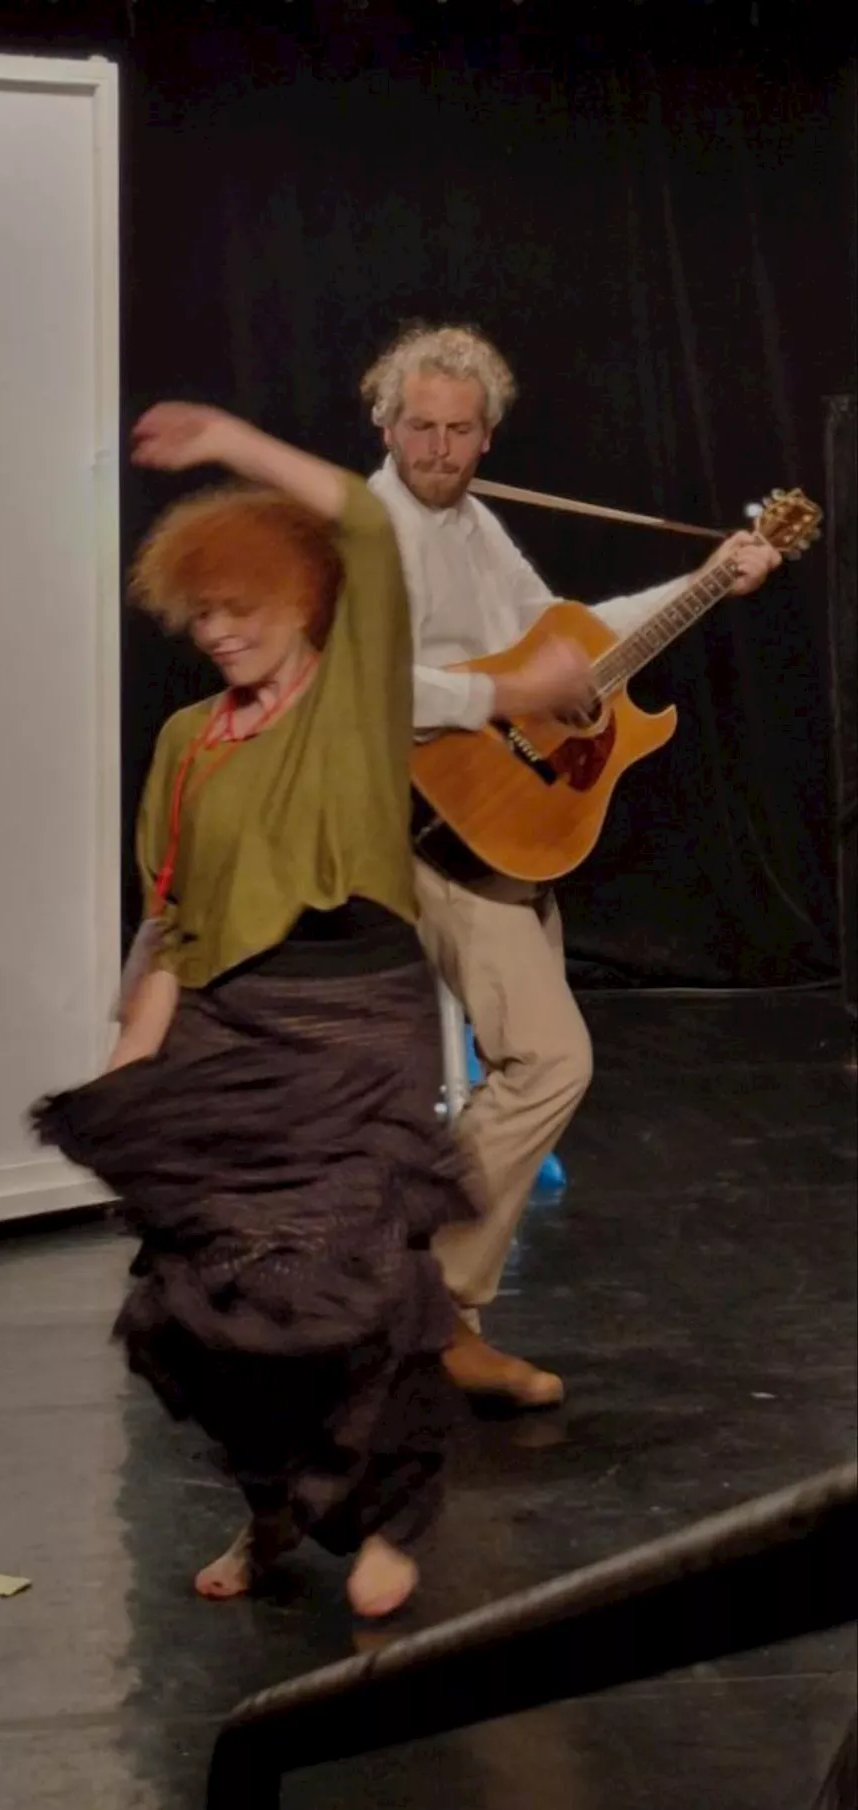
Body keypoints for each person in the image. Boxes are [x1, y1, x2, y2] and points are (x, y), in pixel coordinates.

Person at [31, 400, 481, 1618]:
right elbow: (174, 918)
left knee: (354, 1285)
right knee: (203, 1306)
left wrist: (228, 440)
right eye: (205, 616)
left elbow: (360, 524)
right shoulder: (188, 739)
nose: (221, 632)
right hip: (229, 1032)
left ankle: (382, 1510)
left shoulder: (353, 698)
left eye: (244, 608)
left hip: (354, 1029)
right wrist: (129, 1066)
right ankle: (273, 1502)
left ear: (302, 604)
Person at [362, 321, 782, 1407]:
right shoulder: (365, 531)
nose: (437, 449)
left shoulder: (476, 527)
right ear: (383, 421)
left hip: (500, 825)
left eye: (458, 431)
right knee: (550, 1063)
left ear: (486, 438)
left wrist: (702, 582)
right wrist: (499, 699)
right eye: (419, 427)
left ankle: (437, 1308)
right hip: (415, 818)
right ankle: (429, 1300)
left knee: (536, 1064)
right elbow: (360, 683)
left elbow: (574, 638)